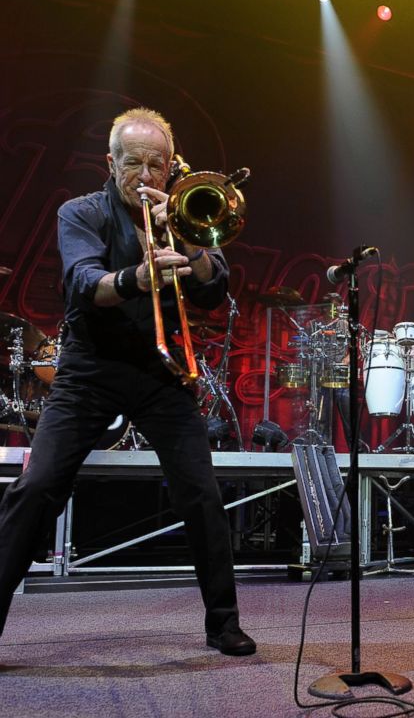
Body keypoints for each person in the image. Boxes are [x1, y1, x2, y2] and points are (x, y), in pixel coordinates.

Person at [0, 108, 255, 655]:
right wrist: (139, 277)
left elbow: (213, 290)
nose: (144, 173)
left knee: (202, 494)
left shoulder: (182, 215)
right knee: (38, 486)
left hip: (162, 373)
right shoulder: (81, 212)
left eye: (156, 163)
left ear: (170, 168)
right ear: (110, 163)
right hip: (90, 369)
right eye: (132, 162)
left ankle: (224, 623)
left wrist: (186, 244)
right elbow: (83, 283)